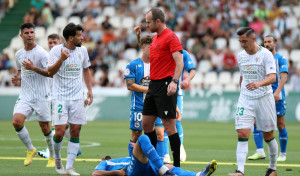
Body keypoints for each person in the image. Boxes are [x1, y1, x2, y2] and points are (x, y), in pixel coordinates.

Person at [228, 27, 278, 176]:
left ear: (253, 39)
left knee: (268, 135)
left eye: (245, 41)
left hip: (264, 98)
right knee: (242, 132)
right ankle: (240, 171)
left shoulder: (266, 55)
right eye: (240, 41)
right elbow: (242, 76)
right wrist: (242, 90)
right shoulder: (241, 56)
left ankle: (273, 168)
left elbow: (273, 77)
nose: (242, 44)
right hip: (246, 99)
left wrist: (258, 83)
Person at [47, 23, 93, 175]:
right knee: (59, 132)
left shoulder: (83, 50)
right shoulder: (56, 50)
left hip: (77, 98)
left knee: (76, 131)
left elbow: (86, 70)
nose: (82, 37)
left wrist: (89, 91)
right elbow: (50, 72)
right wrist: (61, 59)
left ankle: (70, 167)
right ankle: (58, 159)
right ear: (71, 37)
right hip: (60, 97)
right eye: (79, 35)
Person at [142, 7, 183, 167]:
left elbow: (179, 61)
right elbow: (148, 56)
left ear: (158, 21)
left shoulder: (171, 37)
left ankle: (177, 166)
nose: (147, 25)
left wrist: (174, 81)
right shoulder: (156, 38)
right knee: (146, 124)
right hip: (153, 85)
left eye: (148, 22)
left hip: (166, 84)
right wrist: (139, 36)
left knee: (169, 127)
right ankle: (154, 163)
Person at [32, 34, 82, 159]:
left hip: (63, 95)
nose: (52, 45)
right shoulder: (47, 57)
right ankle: (76, 148)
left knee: (58, 124)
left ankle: (50, 152)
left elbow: (50, 74)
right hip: (48, 94)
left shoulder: (68, 57)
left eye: (55, 42)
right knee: (61, 123)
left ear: (61, 42)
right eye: (50, 42)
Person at [11, 23, 54, 167]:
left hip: (42, 96)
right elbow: (20, 71)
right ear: (21, 35)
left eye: (32, 32)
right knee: (16, 121)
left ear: (34, 35)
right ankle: (31, 149)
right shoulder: (18, 54)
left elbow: (50, 73)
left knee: (45, 128)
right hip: (25, 95)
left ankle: (53, 156)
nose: (30, 35)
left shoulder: (42, 53)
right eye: (27, 33)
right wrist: (17, 78)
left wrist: (33, 68)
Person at [92, 135, 217, 176]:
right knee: (142, 139)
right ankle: (163, 169)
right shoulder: (105, 163)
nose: (105, 158)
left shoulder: (118, 160)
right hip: (131, 171)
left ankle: (197, 175)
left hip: (142, 166)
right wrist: (116, 173)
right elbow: (95, 174)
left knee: (169, 167)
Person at [248, 35, 288, 162]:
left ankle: (282, 154)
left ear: (275, 43)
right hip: (262, 95)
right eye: (265, 42)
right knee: (255, 123)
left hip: (277, 96)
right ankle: (260, 151)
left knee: (280, 124)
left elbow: (283, 77)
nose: (267, 44)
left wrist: (277, 92)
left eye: (269, 42)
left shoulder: (280, 58)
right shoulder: (261, 58)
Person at [124, 34, 152, 157]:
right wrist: (149, 89)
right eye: (150, 47)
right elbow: (130, 85)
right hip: (139, 106)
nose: (153, 50)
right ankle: (132, 161)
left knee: (158, 133)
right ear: (143, 48)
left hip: (154, 106)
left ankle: (157, 163)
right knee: (136, 134)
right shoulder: (133, 65)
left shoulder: (157, 65)